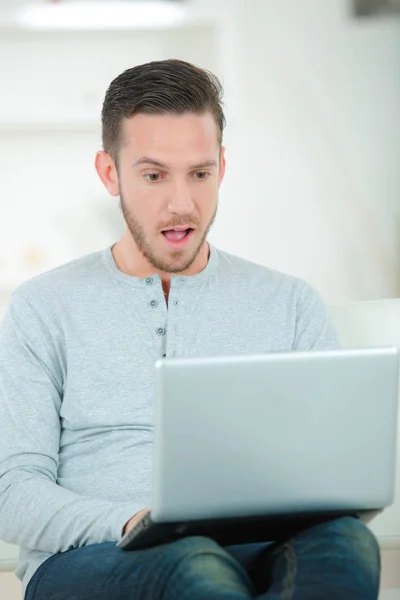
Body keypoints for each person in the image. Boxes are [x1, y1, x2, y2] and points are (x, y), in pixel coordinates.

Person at [0, 59, 380, 600]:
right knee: (194, 563)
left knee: (344, 544)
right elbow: (12, 493)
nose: (182, 203)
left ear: (222, 167)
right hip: (90, 557)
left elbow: (330, 474)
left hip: (254, 544)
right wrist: (131, 520)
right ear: (110, 172)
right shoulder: (43, 306)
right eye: (154, 175)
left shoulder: (290, 302)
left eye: (199, 173)